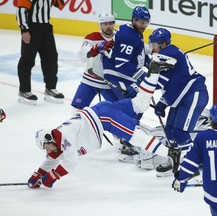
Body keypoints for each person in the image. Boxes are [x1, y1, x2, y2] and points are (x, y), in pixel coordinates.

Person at [27, 57, 175, 189]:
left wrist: (52, 176)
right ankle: (153, 72)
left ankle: (171, 155)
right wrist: (38, 174)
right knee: (140, 104)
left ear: (49, 138)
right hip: (101, 111)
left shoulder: (64, 137)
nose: (48, 151)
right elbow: (52, 159)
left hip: (104, 117)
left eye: (46, 147)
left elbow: (70, 162)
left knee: (137, 138)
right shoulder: (56, 140)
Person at [147, 28, 209, 177]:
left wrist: (138, 88)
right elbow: (172, 83)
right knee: (170, 131)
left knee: (181, 132)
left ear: (163, 44)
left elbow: (159, 81)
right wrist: (163, 102)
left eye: (154, 44)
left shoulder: (168, 53)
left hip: (194, 94)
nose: (152, 48)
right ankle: (173, 162)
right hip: (182, 96)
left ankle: (190, 168)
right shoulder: (167, 54)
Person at [101, 6, 151, 161]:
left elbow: (137, 56)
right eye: (140, 22)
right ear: (133, 20)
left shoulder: (133, 33)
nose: (143, 25)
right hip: (119, 76)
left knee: (133, 107)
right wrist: (142, 75)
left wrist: (149, 62)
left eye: (145, 22)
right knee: (135, 107)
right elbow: (122, 64)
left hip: (120, 75)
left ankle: (123, 133)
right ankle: (127, 141)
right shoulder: (130, 35)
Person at [16, 0, 65, 105]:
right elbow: (21, 11)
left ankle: (50, 88)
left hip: (46, 28)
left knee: (51, 58)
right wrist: (24, 30)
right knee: (27, 60)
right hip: (31, 28)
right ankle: (24, 90)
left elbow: (60, 4)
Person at [71, 13, 117, 110]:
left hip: (109, 83)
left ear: (114, 24)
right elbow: (83, 56)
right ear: (100, 25)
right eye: (105, 24)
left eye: (110, 23)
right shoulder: (92, 37)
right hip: (90, 80)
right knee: (77, 109)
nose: (108, 26)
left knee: (118, 110)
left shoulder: (119, 37)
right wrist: (96, 48)